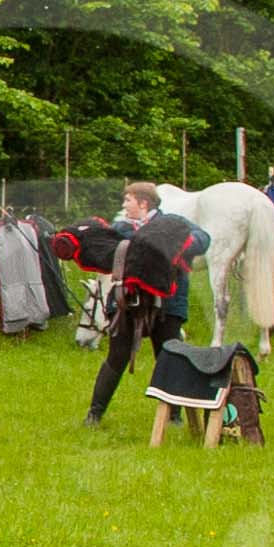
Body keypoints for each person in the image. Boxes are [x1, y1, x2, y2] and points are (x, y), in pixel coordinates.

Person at [84, 181, 210, 426]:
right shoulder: (121, 227)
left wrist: (176, 245)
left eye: (128, 199)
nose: (124, 204)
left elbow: (203, 238)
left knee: (169, 356)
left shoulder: (174, 223)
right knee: (117, 356)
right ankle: (94, 414)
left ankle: (174, 417)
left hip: (168, 303)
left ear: (143, 203)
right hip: (126, 302)